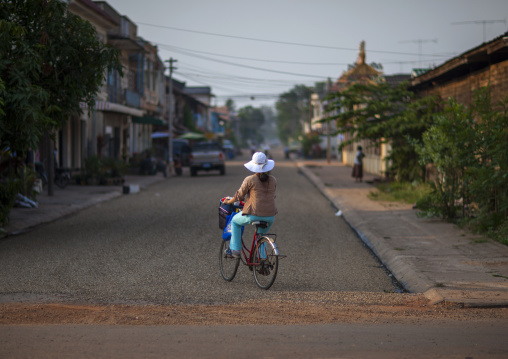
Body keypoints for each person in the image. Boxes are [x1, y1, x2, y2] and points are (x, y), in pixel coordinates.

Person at [222, 152, 277, 258]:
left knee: (234, 222)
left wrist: (228, 202)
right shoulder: (273, 180)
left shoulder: (249, 179)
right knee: (261, 236)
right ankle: (263, 260)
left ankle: (235, 250)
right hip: (270, 216)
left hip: (254, 214)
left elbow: (239, 196)